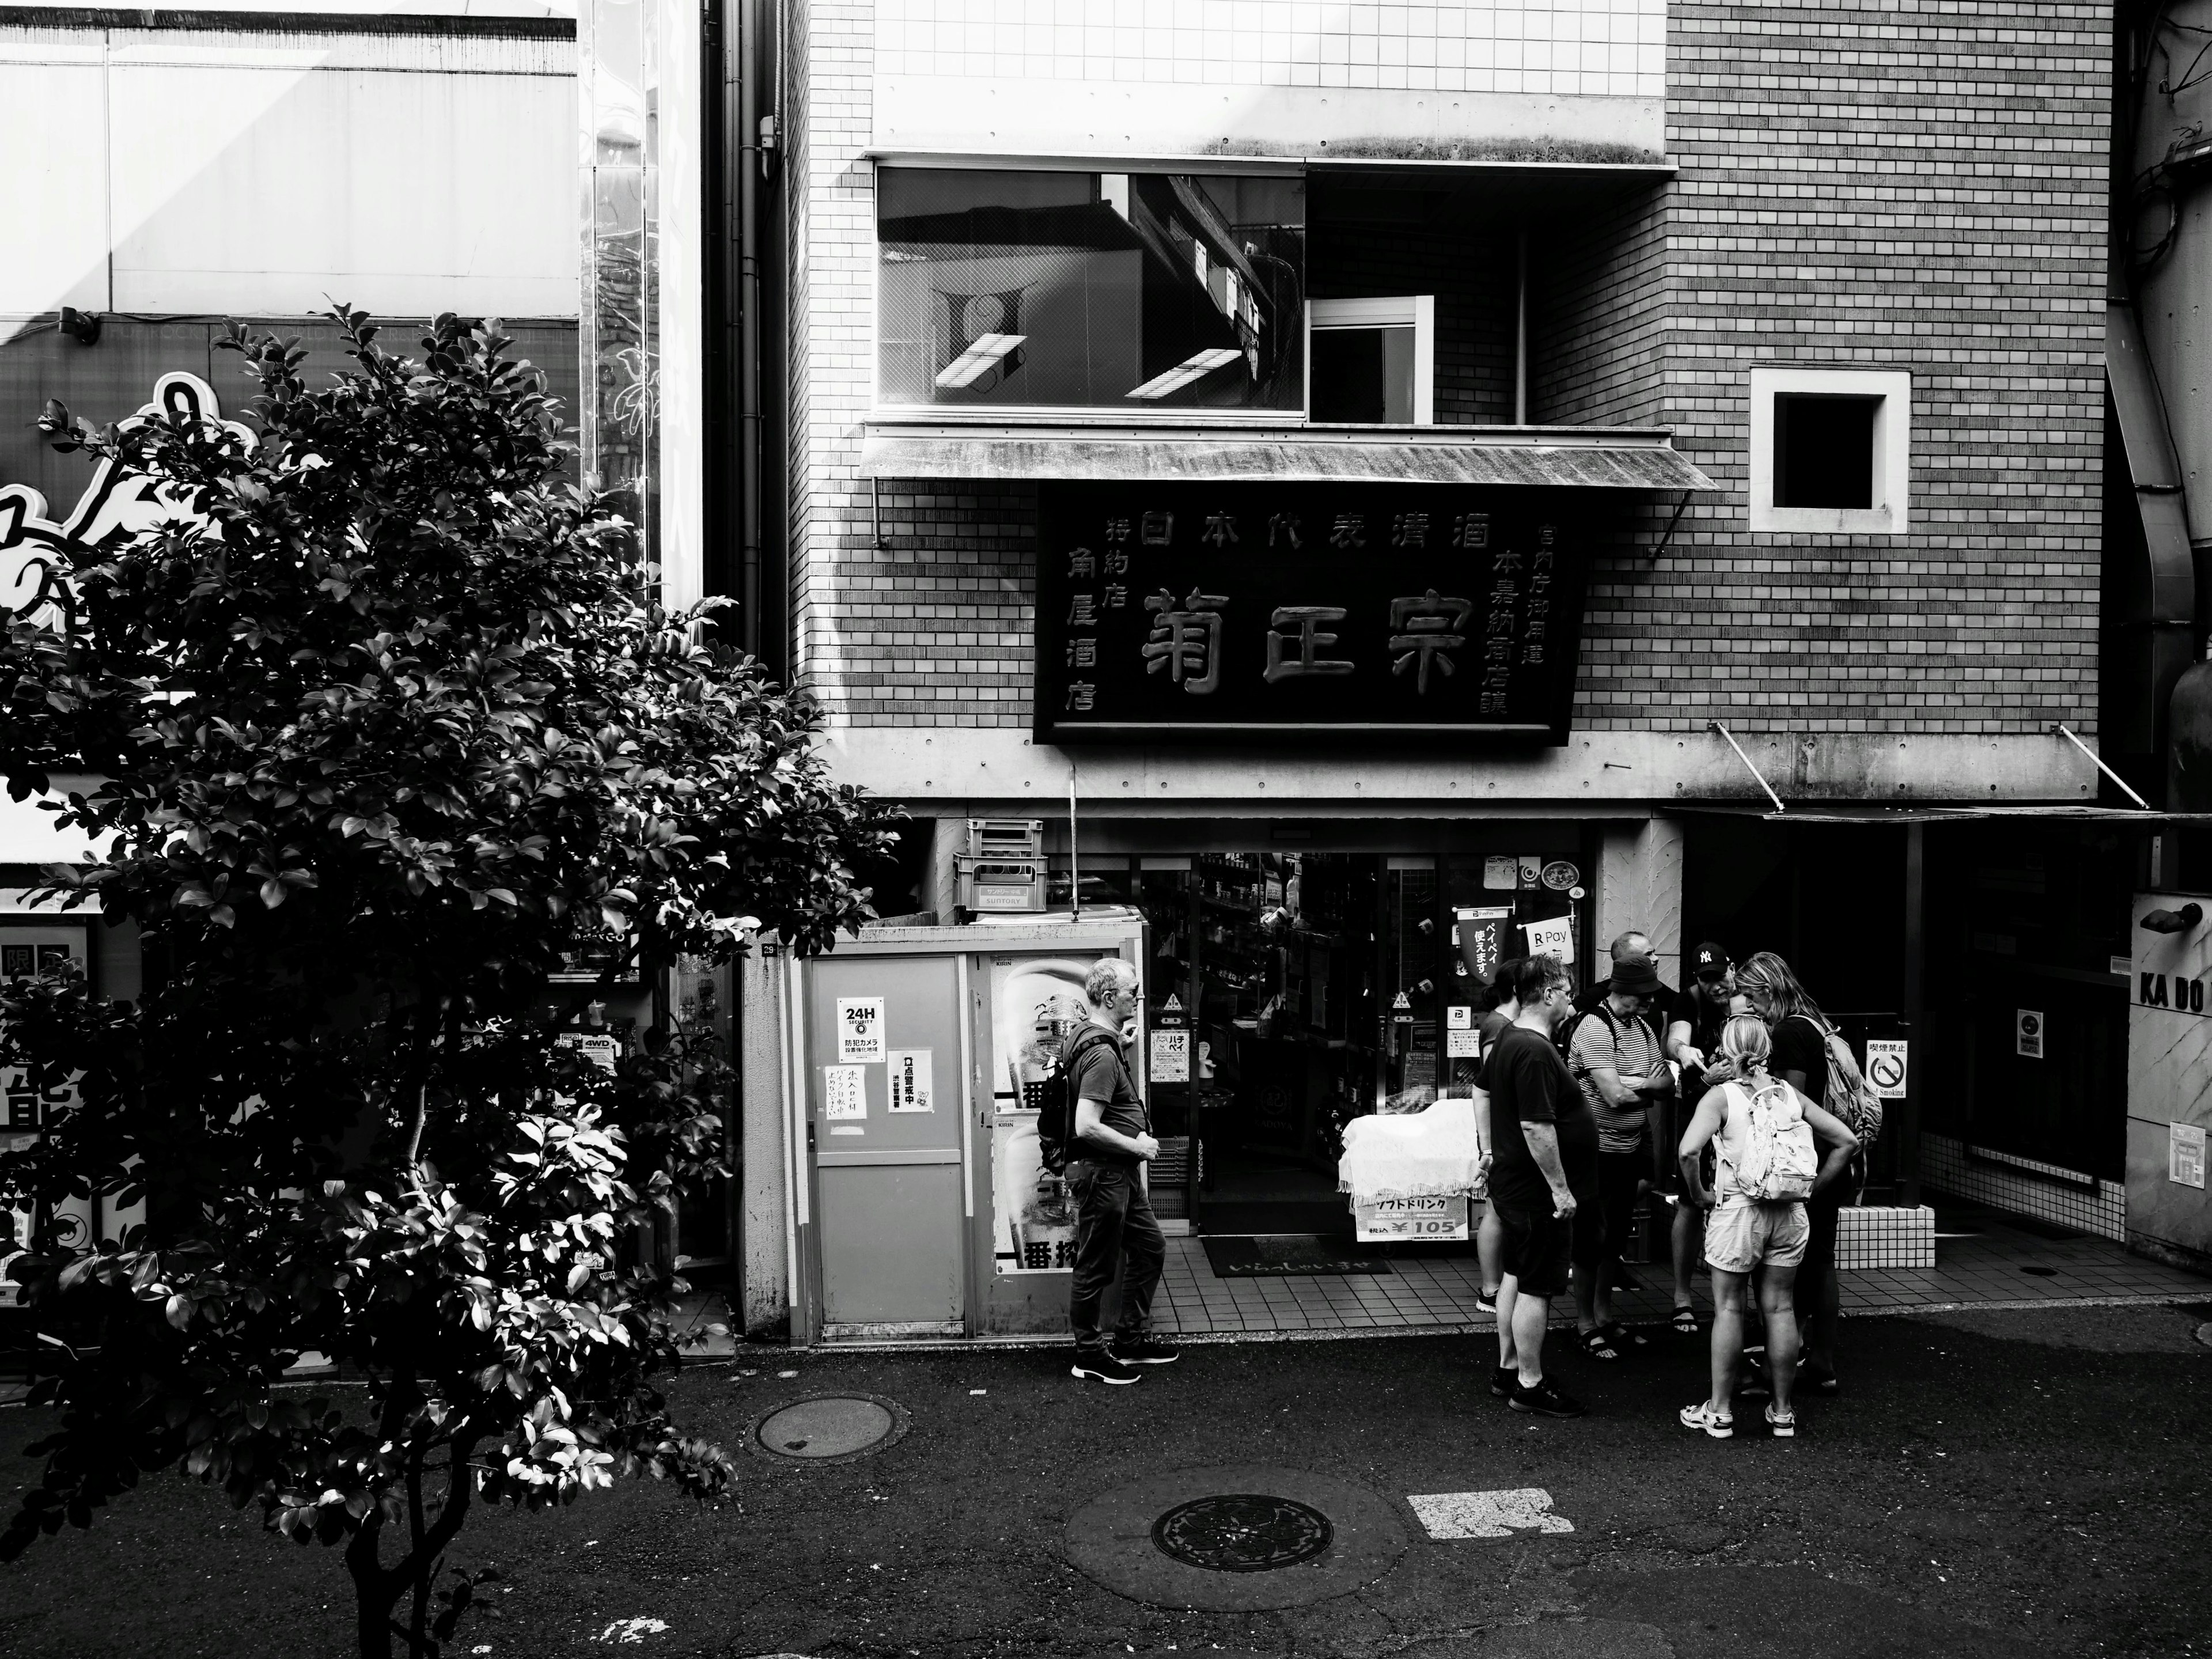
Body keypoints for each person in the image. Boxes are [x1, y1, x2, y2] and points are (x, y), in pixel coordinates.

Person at [1675, 1014, 1857, 1437]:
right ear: (1767, 1051)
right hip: (1789, 1214)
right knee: (1779, 1308)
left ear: (1725, 1048)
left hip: (1739, 1214)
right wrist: (1809, 1194)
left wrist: (1700, 1194)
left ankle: (1719, 1413)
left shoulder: (1721, 1097)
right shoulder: (1788, 1094)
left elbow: (1687, 1151)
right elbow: (1847, 1141)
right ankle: (1782, 1413)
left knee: (1729, 1308)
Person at [1478, 953, 1599, 1419]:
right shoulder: (1532, 1049)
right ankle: (1529, 1384)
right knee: (1535, 1285)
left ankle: (1509, 1368)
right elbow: (1536, 1127)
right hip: (1535, 1192)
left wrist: (1488, 1148)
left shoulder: (1510, 1038)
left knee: (1515, 1272)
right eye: (1567, 990)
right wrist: (1561, 1190)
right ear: (1548, 994)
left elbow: (1484, 1090)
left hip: (1516, 1185)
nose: (1571, 998)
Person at [1733, 950, 1845, 1395]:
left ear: (1766, 989)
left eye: (1749, 994)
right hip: (1827, 1159)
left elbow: (1787, 1105)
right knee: (1820, 1261)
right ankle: (1822, 1360)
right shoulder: (1817, 1021)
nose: (1746, 1004)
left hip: (1801, 1165)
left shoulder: (1789, 1032)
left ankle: (1786, 1360)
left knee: (1790, 1267)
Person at [1065, 957, 1176, 1385]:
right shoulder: (1101, 1056)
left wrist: (1120, 1043)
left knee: (1150, 1247)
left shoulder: (1091, 1037)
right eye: (1133, 990)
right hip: (1105, 1173)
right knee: (1095, 1266)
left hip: (1118, 1174)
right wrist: (1139, 1146)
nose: (1140, 996)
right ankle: (1089, 1354)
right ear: (1110, 997)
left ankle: (1129, 1339)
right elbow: (1086, 1125)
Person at [1567, 956, 1672, 1361]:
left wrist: (1640, 1084)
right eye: (1644, 995)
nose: (1649, 1002)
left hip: (1628, 1148)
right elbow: (1613, 1096)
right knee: (1591, 1240)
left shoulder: (1643, 1028)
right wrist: (1645, 1090)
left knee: (1614, 1240)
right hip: (1595, 1149)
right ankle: (1584, 1324)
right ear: (1623, 990)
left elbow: (1667, 1082)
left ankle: (1605, 1317)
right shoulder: (1595, 1026)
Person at [1661, 942, 1736, 1331]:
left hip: (1743, 1112)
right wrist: (1683, 1051)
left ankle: (1739, 1303)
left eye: (1721, 976)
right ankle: (1682, 1296)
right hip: (1700, 1101)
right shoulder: (1687, 1001)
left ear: (1732, 969)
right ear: (1696, 980)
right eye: (1707, 979)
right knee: (1691, 1201)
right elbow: (1674, 1039)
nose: (1716, 985)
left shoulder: (1744, 999)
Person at [1469, 956, 1522, 1314]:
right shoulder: (1498, 1024)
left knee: (1501, 1209)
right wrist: (1488, 1143)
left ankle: (1498, 1285)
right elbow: (1490, 1084)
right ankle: (1490, 1288)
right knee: (1496, 1210)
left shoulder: (1508, 1023)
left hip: (1507, 1130)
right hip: (1501, 1131)